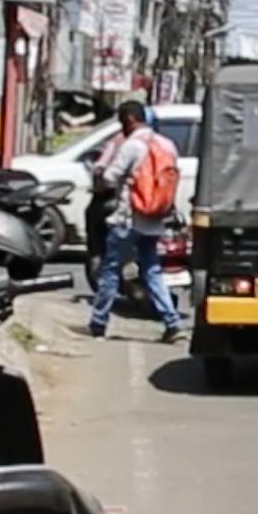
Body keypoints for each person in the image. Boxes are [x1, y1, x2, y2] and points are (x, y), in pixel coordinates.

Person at [89, 99, 183, 343]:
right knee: (152, 270)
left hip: (128, 218)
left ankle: (99, 322)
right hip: (154, 220)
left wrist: (99, 176)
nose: (122, 129)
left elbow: (110, 177)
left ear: (130, 119)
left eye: (123, 123)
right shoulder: (168, 145)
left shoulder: (132, 146)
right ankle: (172, 323)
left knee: (110, 270)